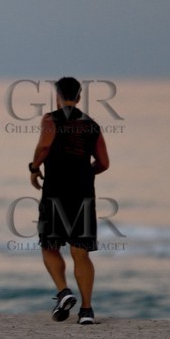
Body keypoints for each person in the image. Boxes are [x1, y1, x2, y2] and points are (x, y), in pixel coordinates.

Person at [28, 76, 109, 324]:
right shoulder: (92, 125)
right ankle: (86, 311)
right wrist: (86, 172)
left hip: (55, 191)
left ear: (57, 96)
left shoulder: (51, 119)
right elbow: (104, 163)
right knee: (80, 251)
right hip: (83, 192)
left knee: (50, 245)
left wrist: (34, 168)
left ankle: (64, 292)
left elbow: (44, 147)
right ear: (79, 96)